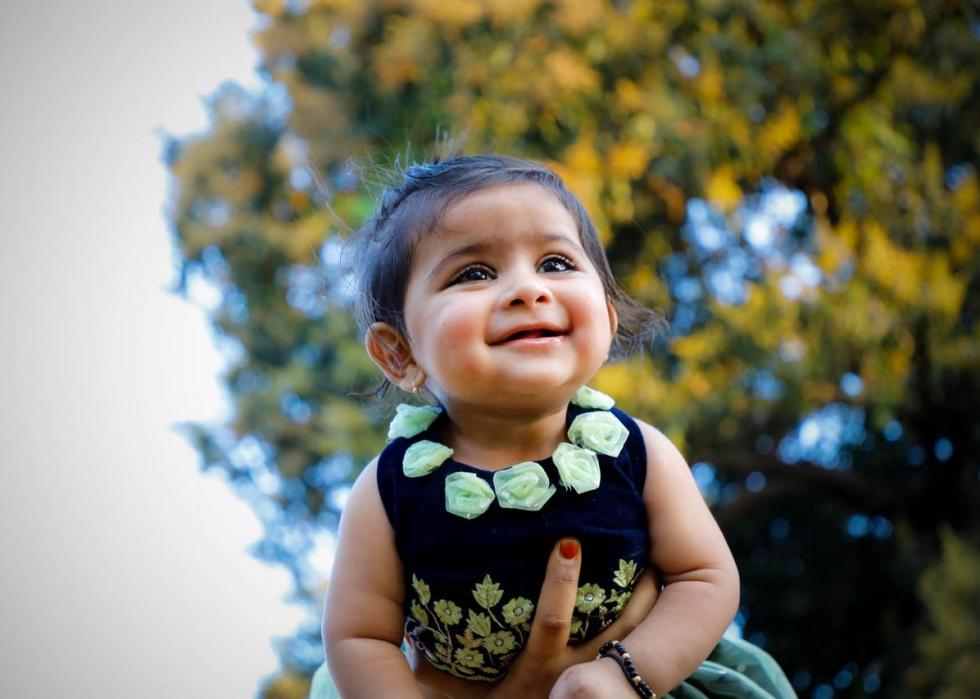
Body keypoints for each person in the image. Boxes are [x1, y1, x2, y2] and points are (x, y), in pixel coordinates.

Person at [322, 155, 795, 698]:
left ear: (607, 319)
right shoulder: (388, 491)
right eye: (473, 273)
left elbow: (706, 577)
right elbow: (359, 637)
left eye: (554, 263)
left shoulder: (638, 452)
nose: (529, 290)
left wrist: (626, 674)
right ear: (398, 353)